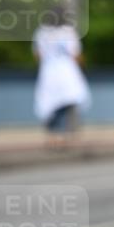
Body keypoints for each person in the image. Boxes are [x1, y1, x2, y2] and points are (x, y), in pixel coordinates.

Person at [32, 12, 91, 147]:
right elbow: (76, 54)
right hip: (67, 71)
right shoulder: (68, 32)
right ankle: (67, 135)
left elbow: (38, 55)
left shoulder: (42, 32)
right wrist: (84, 68)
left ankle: (53, 135)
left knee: (51, 104)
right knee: (69, 102)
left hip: (49, 71)